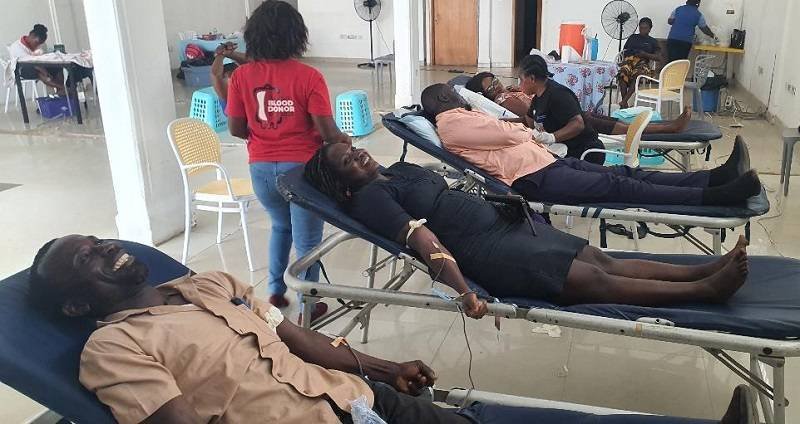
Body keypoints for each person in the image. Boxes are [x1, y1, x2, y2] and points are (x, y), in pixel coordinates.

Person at [27, 236, 755, 424]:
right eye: (82, 262)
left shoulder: (211, 283)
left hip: (359, 401)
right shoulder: (113, 346)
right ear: (72, 306)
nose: (101, 250)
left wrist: (381, 367)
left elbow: (295, 339)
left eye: (95, 239)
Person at [305, 143, 752, 318]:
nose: (359, 155)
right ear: (342, 184)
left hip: (507, 226)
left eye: (353, 147)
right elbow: (424, 241)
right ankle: (706, 291)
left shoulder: (397, 170)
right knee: (596, 282)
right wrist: (465, 293)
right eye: (348, 161)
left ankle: (702, 271)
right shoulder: (369, 199)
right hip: (488, 253)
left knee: (602, 259)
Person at [421, 83, 761, 207]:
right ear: (442, 98)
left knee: (627, 173)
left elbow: (508, 131)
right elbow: (507, 133)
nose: (459, 95)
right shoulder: (452, 124)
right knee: (621, 186)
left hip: (543, 162)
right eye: (453, 92)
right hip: (532, 177)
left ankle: (713, 178)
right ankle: (715, 196)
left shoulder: (463, 116)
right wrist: (527, 134)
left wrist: (526, 134)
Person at [226, 1, 351, 319]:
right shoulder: (309, 77)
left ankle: (276, 293)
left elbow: (238, 129)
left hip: (262, 170)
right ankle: (310, 305)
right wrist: (344, 140)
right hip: (303, 172)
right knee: (309, 240)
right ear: (297, 35)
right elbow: (327, 132)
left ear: (253, 36)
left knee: (280, 227)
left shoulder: (242, 76)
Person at [465, 71, 692, 136]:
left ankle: (668, 125)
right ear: (486, 94)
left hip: (562, 115)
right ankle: (669, 127)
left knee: (613, 121)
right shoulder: (505, 98)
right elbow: (531, 116)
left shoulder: (511, 92)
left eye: (494, 80)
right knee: (618, 127)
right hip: (560, 123)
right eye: (491, 86)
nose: (497, 85)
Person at [516, 55, 606, 164]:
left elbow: (578, 124)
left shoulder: (558, 94)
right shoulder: (537, 99)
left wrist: (551, 138)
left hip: (584, 152)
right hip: (564, 148)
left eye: (521, 79)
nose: (519, 84)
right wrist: (500, 121)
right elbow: (527, 121)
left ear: (532, 78)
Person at [618, 17, 662, 108]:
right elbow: (624, 51)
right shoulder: (633, 37)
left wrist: (645, 54)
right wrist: (625, 60)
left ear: (650, 29)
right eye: (641, 28)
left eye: (645, 28)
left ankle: (624, 101)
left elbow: (658, 57)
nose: (642, 30)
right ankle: (624, 103)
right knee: (623, 72)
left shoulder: (653, 41)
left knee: (638, 74)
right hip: (629, 61)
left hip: (643, 62)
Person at [8, 24, 65, 94]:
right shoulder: (17, 47)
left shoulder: (37, 45)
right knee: (37, 71)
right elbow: (31, 63)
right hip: (22, 70)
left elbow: (42, 57)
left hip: (38, 65)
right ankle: (63, 88)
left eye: (40, 44)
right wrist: (45, 72)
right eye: (37, 42)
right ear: (32, 36)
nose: (37, 45)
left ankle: (60, 92)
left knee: (57, 67)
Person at [210, 41, 249, 111]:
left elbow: (252, 63)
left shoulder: (246, 89)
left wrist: (231, 54)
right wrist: (220, 55)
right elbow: (215, 74)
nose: (235, 83)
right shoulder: (226, 97)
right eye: (231, 80)